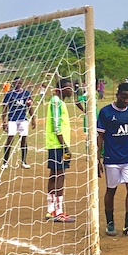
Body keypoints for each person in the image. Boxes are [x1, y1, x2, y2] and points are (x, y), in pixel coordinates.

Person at [97, 82, 128, 237]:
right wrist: (98, 158)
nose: (127, 101)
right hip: (112, 158)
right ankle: (110, 223)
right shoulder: (105, 112)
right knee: (111, 189)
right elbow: (100, 136)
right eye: (124, 97)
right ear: (117, 95)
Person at [45, 77, 75, 223]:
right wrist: (64, 146)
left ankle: (51, 210)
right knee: (60, 175)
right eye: (68, 87)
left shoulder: (57, 101)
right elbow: (56, 126)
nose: (71, 90)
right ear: (60, 89)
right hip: (58, 145)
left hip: (55, 144)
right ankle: (58, 212)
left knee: (54, 174)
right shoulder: (56, 102)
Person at [1, 76, 34, 169]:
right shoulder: (9, 94)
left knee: (23, 139)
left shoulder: (26, 94)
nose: (18, 84)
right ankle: (5, 162)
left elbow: (30, 106)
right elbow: (4, 109)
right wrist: (4, 122)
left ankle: (23, 162)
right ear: (13, 83)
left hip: (23, 120)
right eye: (16, 83)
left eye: (20, 83)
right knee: (10, 139)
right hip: (12, 120)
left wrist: (33, 119)